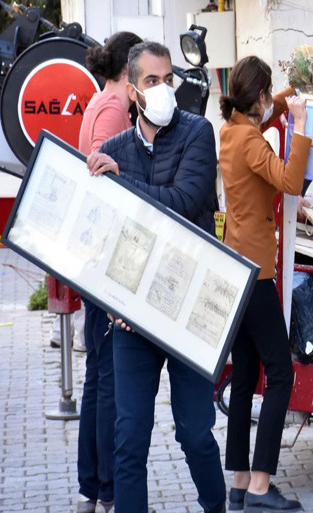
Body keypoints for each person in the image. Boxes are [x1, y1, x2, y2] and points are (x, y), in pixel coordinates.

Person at [85, 41, 225, 513]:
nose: (164, 89)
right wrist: (110, 298)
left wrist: (121, 179)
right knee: (129, 439)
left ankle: (215, 506)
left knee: (194, 433)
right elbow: (103, 237)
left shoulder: (198, 133)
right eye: (152, 81)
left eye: (169, 80)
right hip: (133, 316)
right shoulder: (114, 148)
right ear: (132, 90)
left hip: (187, 311)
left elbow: (184, 205)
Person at [218, 56, 309, 513]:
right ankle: (259, 487)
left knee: (246, 374)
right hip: (257, 272)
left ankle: (237, 482)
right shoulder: (251, 143)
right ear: (254, 97)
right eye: (267, 93)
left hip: (238, 264)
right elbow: (291, 181)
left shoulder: (232, 129)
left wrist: (291, 92)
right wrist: (304, 127)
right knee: (280, 374)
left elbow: (264, 109)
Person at [75, 30, 142, 513]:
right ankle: (108, 488)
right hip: (104, 258)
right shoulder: (116, 111)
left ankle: (95, 487)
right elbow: (106, 182)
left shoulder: (99, 102)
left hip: (91, 255)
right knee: (108, 379)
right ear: (130, 71)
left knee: (98, 376)